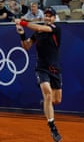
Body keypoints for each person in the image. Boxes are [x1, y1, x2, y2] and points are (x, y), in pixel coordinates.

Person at [14, 7, 62, 142]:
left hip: (55, 69)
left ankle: (46, 104)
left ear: (54, 18)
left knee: (56, 100)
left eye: (50, 16)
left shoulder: (55, 28)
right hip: (41, 68)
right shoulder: (38, 32)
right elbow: (26, 46)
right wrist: (22, 34)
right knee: (47, 93)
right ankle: (52, 127)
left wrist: (23, 22)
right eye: (46, 16)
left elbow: (41, 28)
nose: (48, 18)